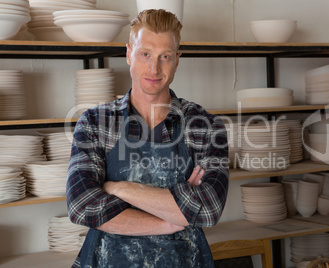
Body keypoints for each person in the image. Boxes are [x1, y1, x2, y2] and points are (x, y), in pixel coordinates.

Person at [66, 9, 229, 268]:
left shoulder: (204, 125)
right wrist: (170, 221)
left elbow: (207, 210)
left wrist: (117, 188)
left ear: (177, 60)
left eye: (165, 56)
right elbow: (82, 205)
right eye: (145, 54)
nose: (155, 68)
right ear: (129, 53)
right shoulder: (96, 123)